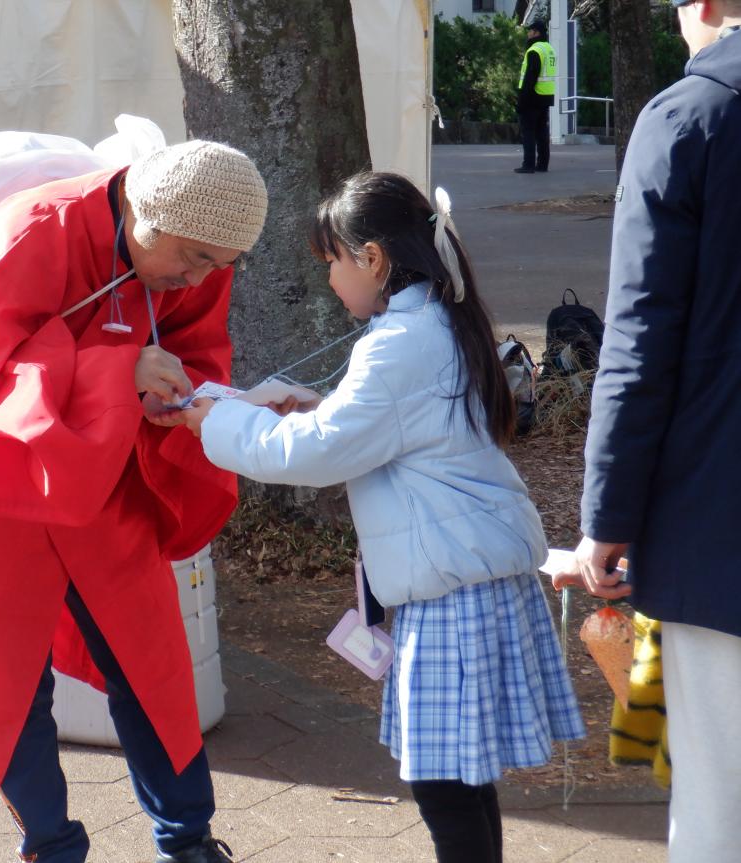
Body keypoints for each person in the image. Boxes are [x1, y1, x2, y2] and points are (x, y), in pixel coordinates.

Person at [0, 139, 268, 863]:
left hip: (110, 475)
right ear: (143, 211)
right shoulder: (35, 229)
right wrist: (119, 371)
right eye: (192, 258)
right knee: (6, 680)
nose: (197, 279)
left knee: (150, 664)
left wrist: (181, 399)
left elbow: (197, 349)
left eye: (219, 266)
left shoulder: (196, 253)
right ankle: (51, 845)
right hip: (1, 479)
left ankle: (188, 842)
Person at [182, 172, 585, 863]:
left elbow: (317, 452)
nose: (330, 279)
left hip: (452, 587)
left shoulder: (400, 340)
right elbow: (395, 428)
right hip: (468, 575)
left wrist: (216, 421)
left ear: (372, 258)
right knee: (460, 780)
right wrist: (318, 407)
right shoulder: (435, 319)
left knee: (444, 786)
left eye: (332, 261)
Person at [556, 2, 741, 860]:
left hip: (720, 525)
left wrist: (609, 517)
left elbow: (639, 339)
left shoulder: (691, 117)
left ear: (700, 7)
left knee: (717, 803)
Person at [515, 19, 556, 174]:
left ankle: (528, 164)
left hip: (533, 96)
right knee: (542, 131)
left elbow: (530, 77)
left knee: (529, 132)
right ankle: (543, 164)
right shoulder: (549, 49)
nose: (528, 33)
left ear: (536, 32)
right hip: (546, 96)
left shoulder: (534, 51)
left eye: (530, 31)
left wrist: (522, 100)